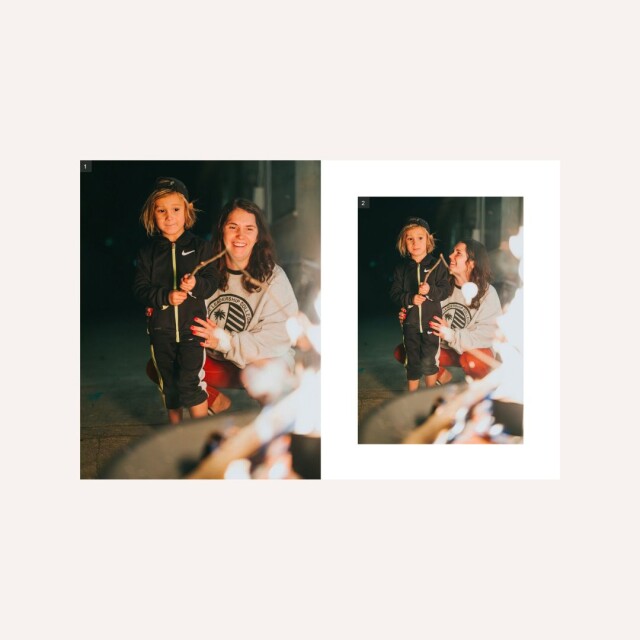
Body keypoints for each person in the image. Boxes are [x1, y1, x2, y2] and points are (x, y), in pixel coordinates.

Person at [189, 198, 299, 413]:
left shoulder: (273, 277)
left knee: (264, 373)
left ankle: (277, 422)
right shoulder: (203, 271)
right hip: (218, 361)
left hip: (259, 360)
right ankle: (216, 401)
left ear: (258, 236)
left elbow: (281, 334)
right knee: (163, 363)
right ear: (221, 230)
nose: (240, 235)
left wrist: (226, 341)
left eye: (249, 228)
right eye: (233, 227)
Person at [134, 177, 219, 425]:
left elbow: (212, 281)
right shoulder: (147, 253)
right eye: (161, 211)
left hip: (193, 330)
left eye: (175, 209)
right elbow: (140, 289)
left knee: (189, 382)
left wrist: (195, 285)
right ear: (152, 214)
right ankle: (176, 433)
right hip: (161, 331)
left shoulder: (201, 248)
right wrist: (165, 296)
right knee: (169, 384)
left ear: (187, 211)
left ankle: (200, 432)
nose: (169, 216)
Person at [390, 217, 450, 391]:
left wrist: (430, 290)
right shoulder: (401, 269)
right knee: (412, 361)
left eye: (420, 238)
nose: (415, 243)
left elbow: (445, 290)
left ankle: (429, 395)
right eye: (410, 239)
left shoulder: (437, 265)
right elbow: (394, 293)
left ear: (428, 240)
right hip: (410, 324)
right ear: (404, 242)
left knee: (430, 361)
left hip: (432, 323)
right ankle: (412, 396)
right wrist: (410, 298)